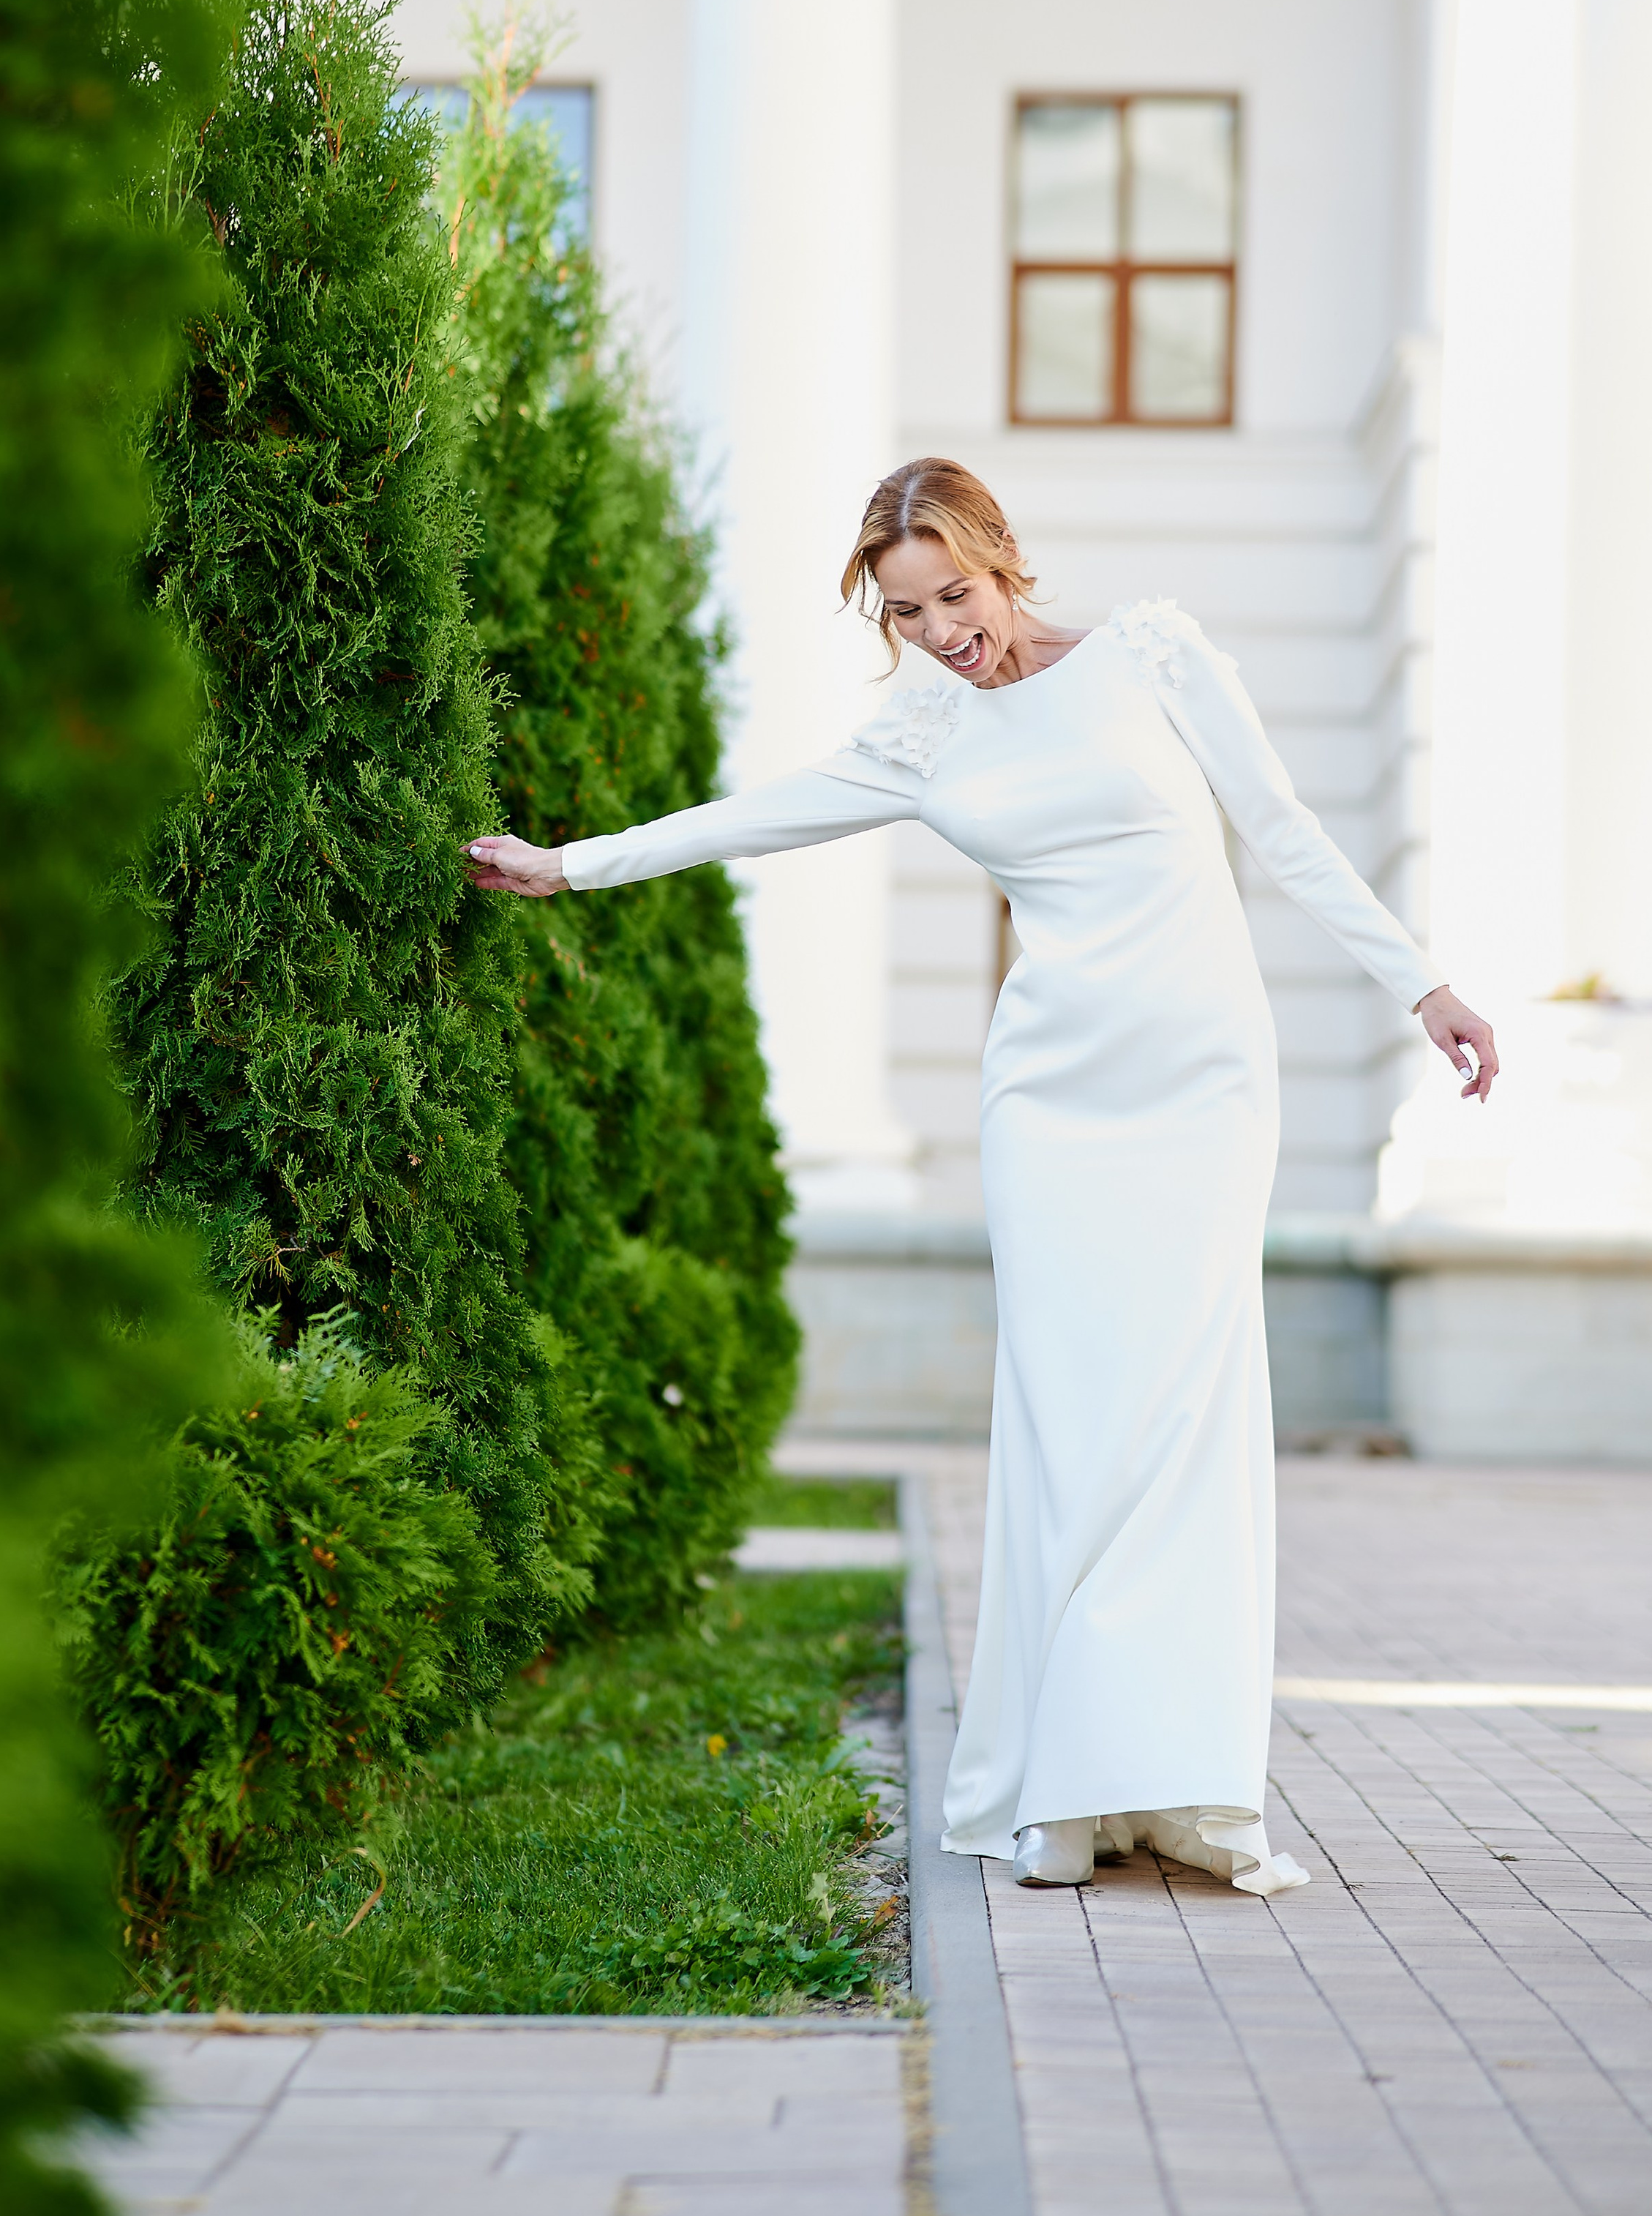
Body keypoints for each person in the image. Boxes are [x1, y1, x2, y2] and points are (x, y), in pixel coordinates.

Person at [467, 460, 1496, 1893]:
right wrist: (567, 867)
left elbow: (1282, 829)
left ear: (1002, 558)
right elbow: (752, 816)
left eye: (953, 591)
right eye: (906, 611)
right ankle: (1065, 1792)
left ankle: (1184, 1783)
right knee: (1070, 1422)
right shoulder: (922, 734)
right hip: (1049, 1099)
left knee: (1185, 1416)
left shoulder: (1152, 654)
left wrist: (1421, 988)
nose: (942, 626)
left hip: (1201, 1083)